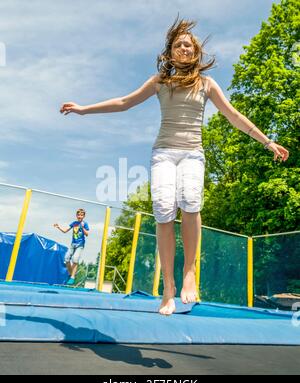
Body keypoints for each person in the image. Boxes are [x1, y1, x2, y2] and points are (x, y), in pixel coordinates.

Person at [59, 16, 289, 314]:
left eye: (189, 45)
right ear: (169, 53)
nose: (184, 48)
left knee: (191, 201)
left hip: (192, 152)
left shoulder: (207, 84)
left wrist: (267, 141)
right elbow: (123, 102)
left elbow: (234, 116)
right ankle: (168, 287)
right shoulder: (160, 82)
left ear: (196, 53)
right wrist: (83, 110)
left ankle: (189, 273)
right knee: (164, 210)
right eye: (179, 44)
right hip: (164, 153)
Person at [54, 208, 90, 286]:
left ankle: (73, 277)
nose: (79, 216)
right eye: (78, 215)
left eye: (81, 215)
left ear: (83, 216)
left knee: (75, 259)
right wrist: (58, 227)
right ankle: (71, 275)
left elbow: (87, 234)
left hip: (80, 245)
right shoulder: (74, 223)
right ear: (76, 215)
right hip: (73, 244)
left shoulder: (85, 224)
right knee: (66, 258)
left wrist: (83, 227)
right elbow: (65, 231)